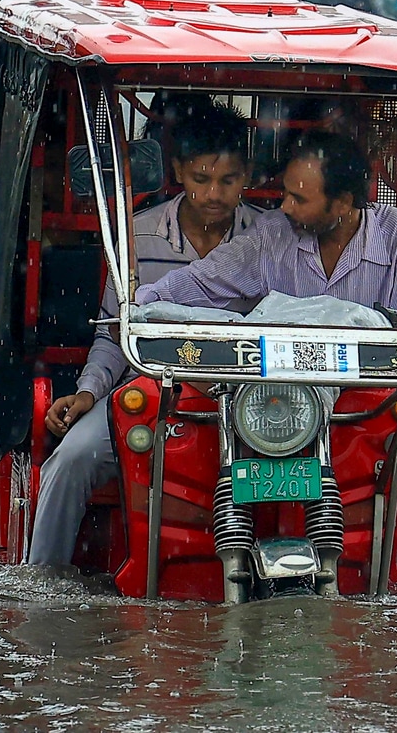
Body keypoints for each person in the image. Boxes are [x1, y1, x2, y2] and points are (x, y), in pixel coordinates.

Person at [25, 98, 263, 567]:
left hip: (244, 402)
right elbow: (114, 333)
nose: (214, 194)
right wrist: (89, 393)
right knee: (72, 459)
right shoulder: (137, 236)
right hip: (146, 397)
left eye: (228, 181)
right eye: (201, 179)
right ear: (177, 171)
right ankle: (41, 581)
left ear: (246, 177)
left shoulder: (269, 237)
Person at [134, 130, 397, 326]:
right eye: (286, 194)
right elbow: (202, 281)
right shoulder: (274, 231)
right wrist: (140, 305)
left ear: (343, 203)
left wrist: (361, 323)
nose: (285, 207)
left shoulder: (395, 231)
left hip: (370, 394)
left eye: (299, 198)